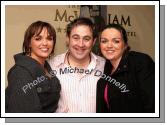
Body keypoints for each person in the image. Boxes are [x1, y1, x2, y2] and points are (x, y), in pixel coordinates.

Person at [49, 17, 105, 112]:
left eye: (86, 39)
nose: (81, 44)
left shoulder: (105, 66)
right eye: (76, 38)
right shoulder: (51, 66)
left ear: (94, 41)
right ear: (67, 39)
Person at [96, 23, 155, 113]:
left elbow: (152, 104)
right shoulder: (104, 69)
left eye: (116, 41)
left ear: (125, 45)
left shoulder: (140, 62)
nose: (109, 45)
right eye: (104, 41)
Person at [5, 21, 61, 113]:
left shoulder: (47, 66)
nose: (45, 43)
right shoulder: (21, 72)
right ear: (29, 43)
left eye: (49, 38)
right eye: (38, 39)